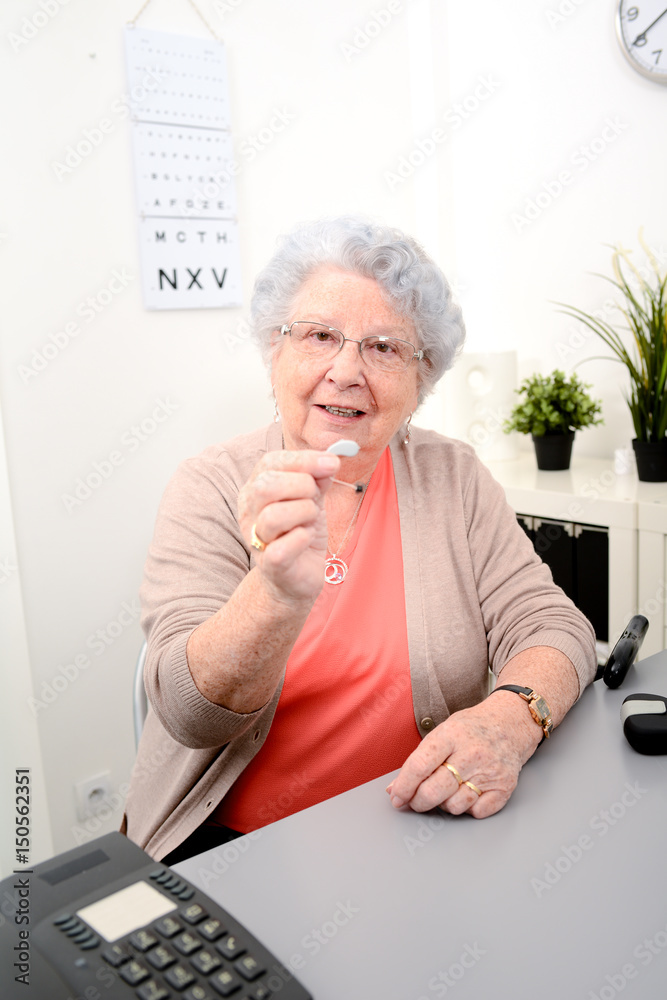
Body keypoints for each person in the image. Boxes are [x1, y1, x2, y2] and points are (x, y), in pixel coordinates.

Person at [122, 216, 596, 863]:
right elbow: (187, 712)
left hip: (420, 829)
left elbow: (550, 623)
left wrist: (509, 719)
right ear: (275, 349)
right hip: (231, 849)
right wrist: (275, 593)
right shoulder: (209, 484)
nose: (345, 370)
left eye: (382, 347)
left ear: (420, 377)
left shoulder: (451, 475)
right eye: (319, 335)